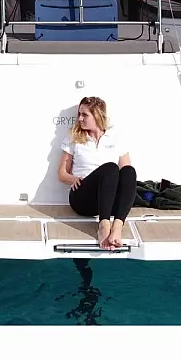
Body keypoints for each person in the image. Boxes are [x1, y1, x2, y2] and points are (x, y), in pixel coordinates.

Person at [57, 96, 136, 250]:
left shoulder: (115, 138)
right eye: (79, 114)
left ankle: (117, 226)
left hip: (108, 201)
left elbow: (127, 177)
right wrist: (73, 179)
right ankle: (104, 226)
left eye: (84, 115)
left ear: (97, 116)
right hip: (83, 198)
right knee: (110, 168)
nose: (80, 118)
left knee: (129, 171)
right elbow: (61, 173)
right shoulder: (74, 137)